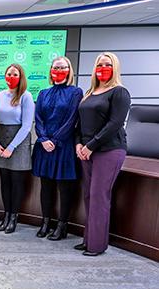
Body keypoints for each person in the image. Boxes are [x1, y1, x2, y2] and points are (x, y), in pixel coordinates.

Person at [75, 52, 130, 256]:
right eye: (99, 64)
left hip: (109, 150)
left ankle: (97, 245)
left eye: (107, 64)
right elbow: (79, 122)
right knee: (89, 195)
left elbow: (115, 123)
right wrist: (79, 144)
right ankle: (89, 239)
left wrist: (91, 145)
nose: (102, 68)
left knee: (99, 196)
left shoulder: (119, 92)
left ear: (114, 67)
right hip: (86, 150)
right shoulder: (90, 92)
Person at [32, 56, 83, 241]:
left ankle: (62, 226)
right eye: (55, 67)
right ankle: (45, 222)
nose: (58, 71)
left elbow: (72, 120)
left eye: (62, 67)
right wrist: (44, 139)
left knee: (64, 188)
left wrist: (55, 140)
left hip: (63, 147)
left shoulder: (76, 92)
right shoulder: (43, 93)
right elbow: (38, 119)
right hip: (44, 147)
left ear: (69, 70)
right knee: (46, 187)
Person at [0, 63, 34, 234]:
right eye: (8, 74)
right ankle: (6, 215)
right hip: (1, 140)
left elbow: (27, 126)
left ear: (21, 76)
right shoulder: (0, 95)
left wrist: (12, 147)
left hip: (18, 142)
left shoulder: (26, 96)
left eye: (15, 74)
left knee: (16, 183)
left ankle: (14, 217)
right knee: (5, 182)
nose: (11, 77)